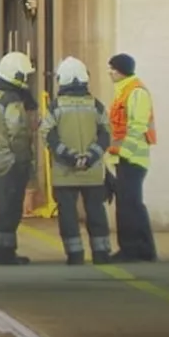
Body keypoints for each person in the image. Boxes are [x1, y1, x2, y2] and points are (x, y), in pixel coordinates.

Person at [41, 57, 113, 265]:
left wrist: (69, 156)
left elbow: (47, 133)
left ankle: (75, 255)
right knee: (96, 211)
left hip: (65, 172)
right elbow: (106, 134)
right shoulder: (95, 105)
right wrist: (90, 156)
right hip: (92, 171)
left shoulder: (56, 107)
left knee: (68, 215)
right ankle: (101, 254)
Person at [0, 50, 38, 265]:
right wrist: (25, 158)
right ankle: (5, 253)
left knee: (2, 207)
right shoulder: (11, 100)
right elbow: (17, 132)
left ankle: (3, 250)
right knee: (11, 210)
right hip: (12, 161)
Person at [106, 53, 158, 262]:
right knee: (133, 204)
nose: (110, 72)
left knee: (128, 206)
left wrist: (125, 154)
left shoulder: (136, 92)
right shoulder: (125, 91)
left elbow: (137, 126)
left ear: (122, 71)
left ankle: (130, 249)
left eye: (113, 69)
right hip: (126, 158)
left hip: (132, 159)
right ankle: (145, 250)